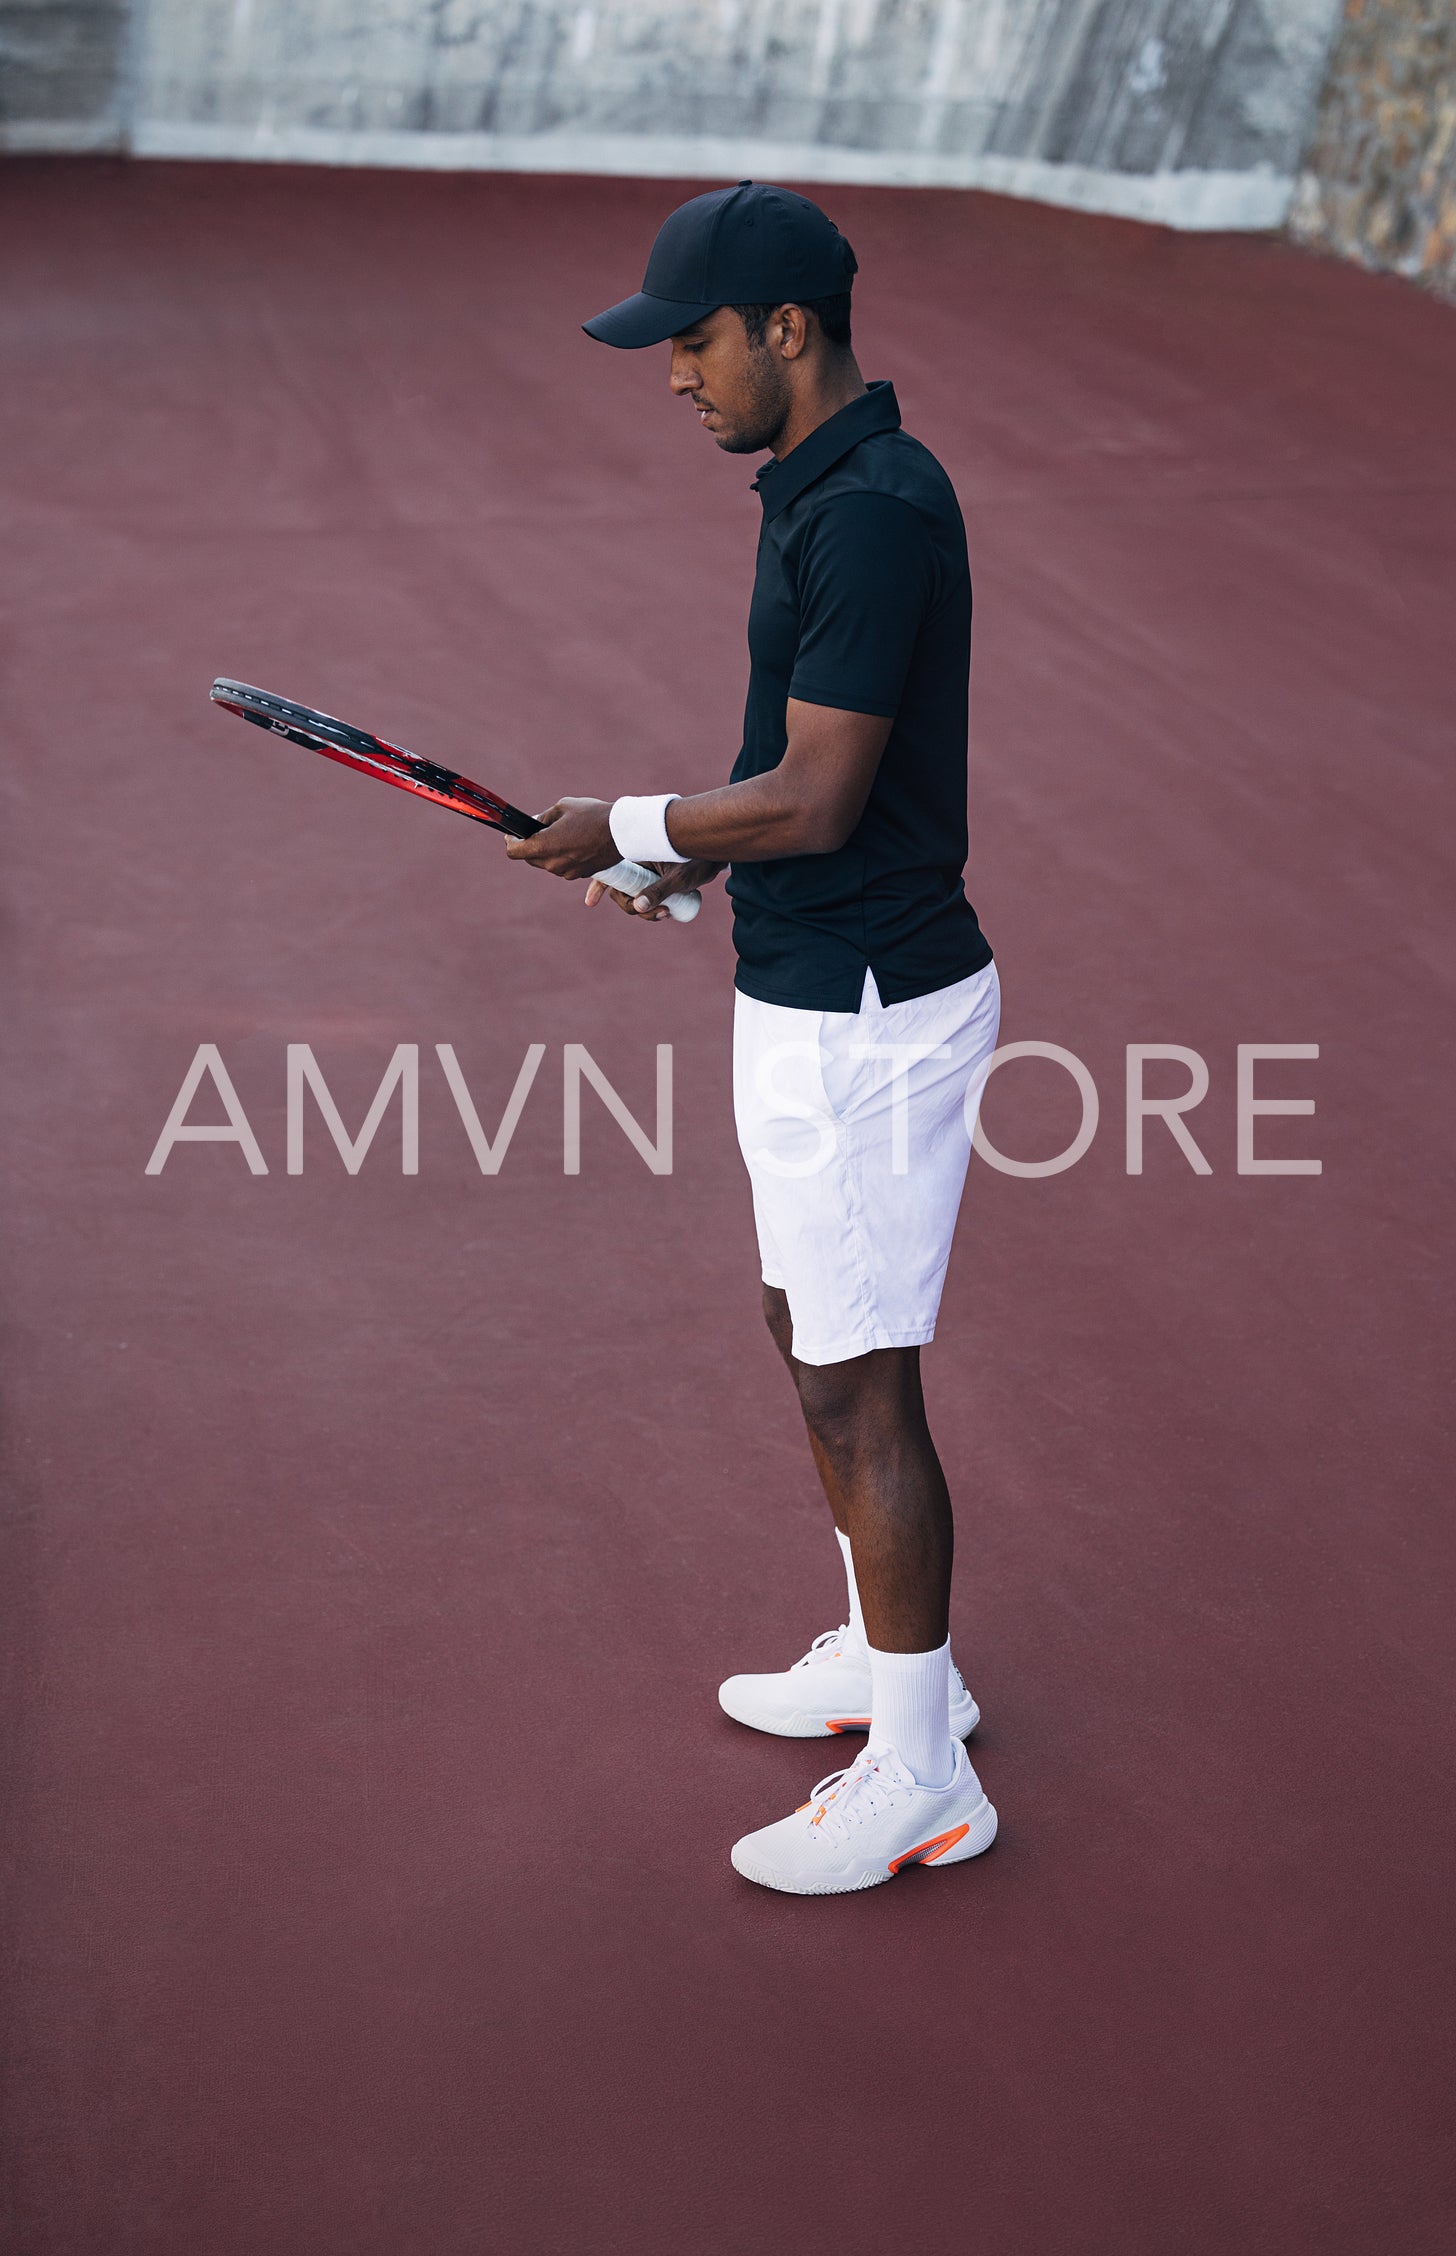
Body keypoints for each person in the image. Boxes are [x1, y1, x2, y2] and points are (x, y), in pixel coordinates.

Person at [509, 182, 1001, 1895]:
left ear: (786, 330)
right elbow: (790, 793)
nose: (671, 375)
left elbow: (818, 793)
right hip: (810, 976)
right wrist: (678, 868)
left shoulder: (866, 511)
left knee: (857, 1381)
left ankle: (923, 1772)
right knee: (813, 1332)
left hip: (863, 1008)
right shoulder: (818, 493)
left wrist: (631, 819)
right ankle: (886, 1657)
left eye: (693, 341)